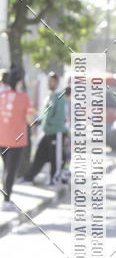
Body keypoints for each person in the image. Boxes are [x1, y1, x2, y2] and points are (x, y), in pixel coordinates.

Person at [0, 67, 34, 210]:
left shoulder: (1, 95)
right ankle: (6, 201)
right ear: (19, 81)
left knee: (5, 169)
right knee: (10, 171)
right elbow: (29, 119)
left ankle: (5, 198)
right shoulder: (24, 97)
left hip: (2, 138)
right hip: (16, 140)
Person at [25, 71, 67, 185]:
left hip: (56, 132)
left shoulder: (60, 96)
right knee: (39, 155)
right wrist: (38, 122)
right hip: (46, 132)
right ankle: (29, 178)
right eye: (49, 81)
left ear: (57, 82)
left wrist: (46, 124)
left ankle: (55, 179)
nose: (50, 83)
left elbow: (59, 116)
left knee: (56, 158)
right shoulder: (49, 96)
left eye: (52, 81)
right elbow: (45, 115)